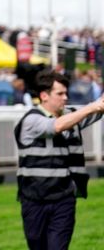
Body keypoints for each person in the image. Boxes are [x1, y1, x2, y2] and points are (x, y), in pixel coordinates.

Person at [14, 70, 104, 250]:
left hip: (64, 199)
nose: (65, 97)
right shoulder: (31, 119)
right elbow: (56, 126)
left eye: (66, 93)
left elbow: (99, 108)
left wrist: (98, 105)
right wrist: (92, 107)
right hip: (34, 200)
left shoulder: (71, 115)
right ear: (44, 96)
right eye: (60, 93)